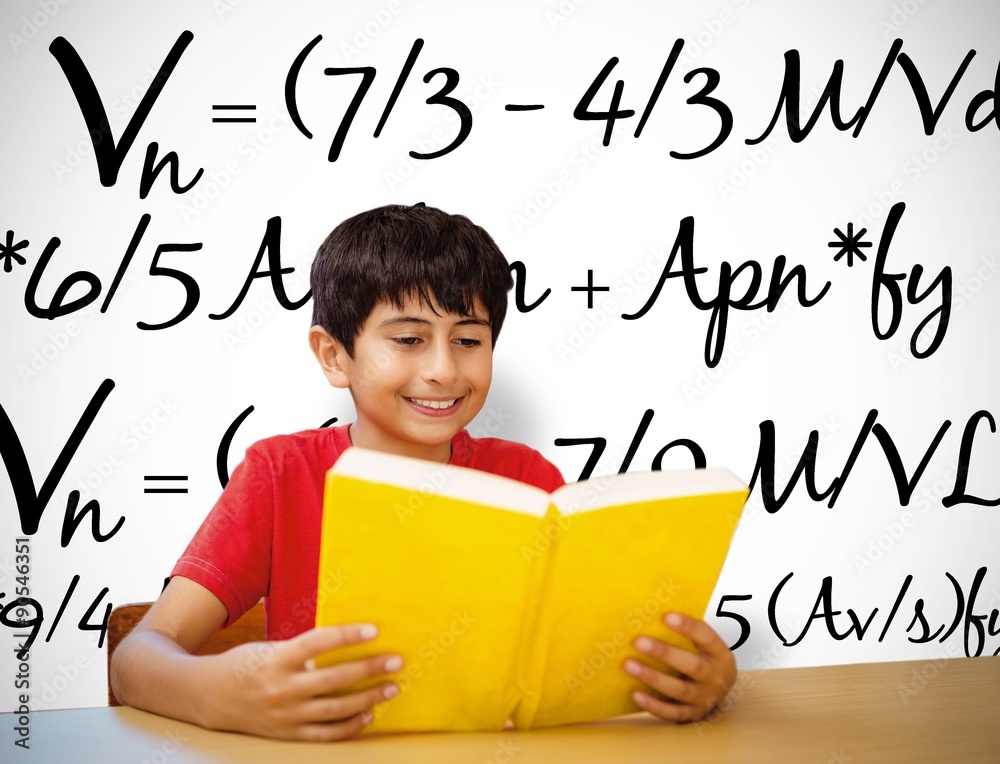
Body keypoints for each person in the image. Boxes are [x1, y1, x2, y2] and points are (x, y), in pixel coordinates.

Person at [110, 203, 737, 741]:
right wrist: (218, 694)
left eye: (469, 340)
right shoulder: (281, 475)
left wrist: (702, 677)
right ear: (334, 356)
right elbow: (136, 658)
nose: (443, 369)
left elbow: (601, 644)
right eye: (408, 340)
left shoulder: (529, 478)